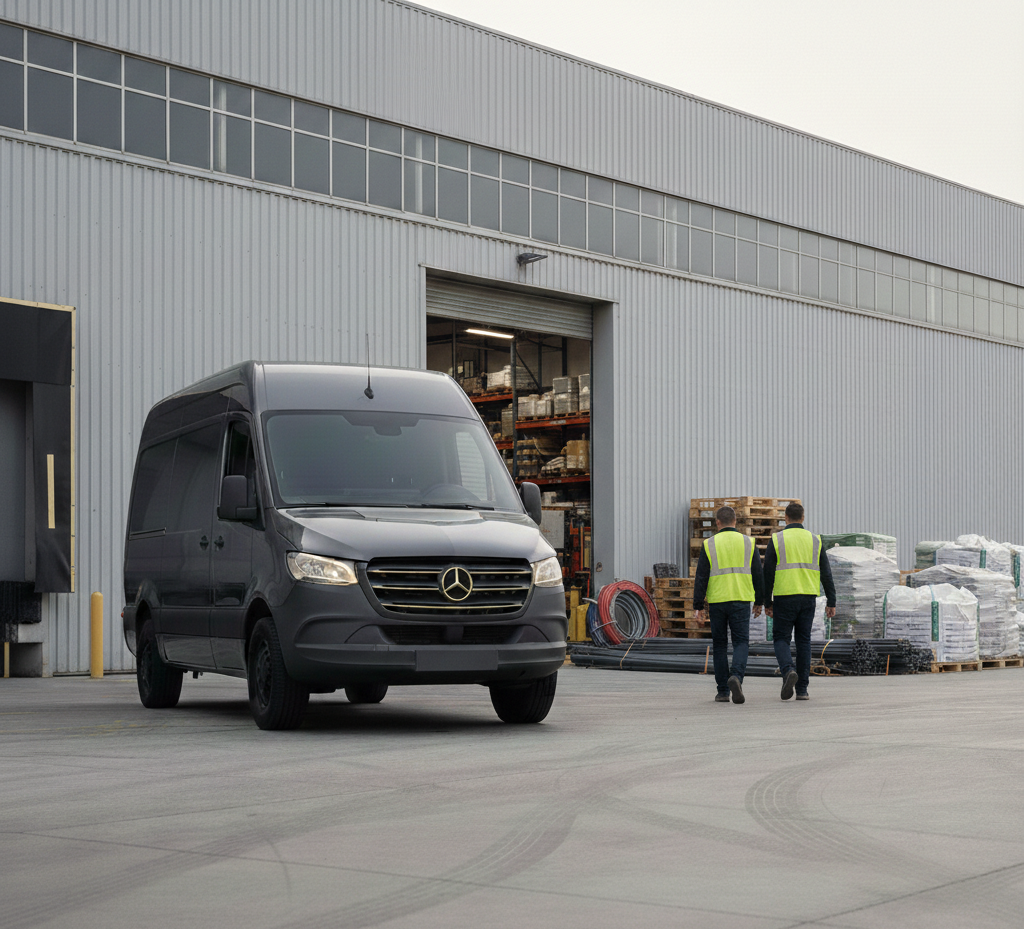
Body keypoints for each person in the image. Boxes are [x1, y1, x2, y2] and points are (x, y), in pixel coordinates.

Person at [763, 502, 837, 701]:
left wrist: (766, 601)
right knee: (804, 641)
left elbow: (767, 573)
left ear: (785, 518)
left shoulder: (777, 539)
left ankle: (788, 671)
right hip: (807, 598)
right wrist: (832, 601)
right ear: (803, 518)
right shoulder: (815, 540)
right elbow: (826, 573)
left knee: (781, 639)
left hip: (784, 597)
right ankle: (802, 689)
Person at [693, 506, 764, 704]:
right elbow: (758, 573)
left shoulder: (709, 544)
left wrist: (698, 605)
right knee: (741, 642)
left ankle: (723, 691)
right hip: (741, 599)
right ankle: (737, 677)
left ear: (717, 522)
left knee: (720, 645)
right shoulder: (748, 542)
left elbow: (701, 576)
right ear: (735, 521)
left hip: (717, 601)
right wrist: (760, 601)